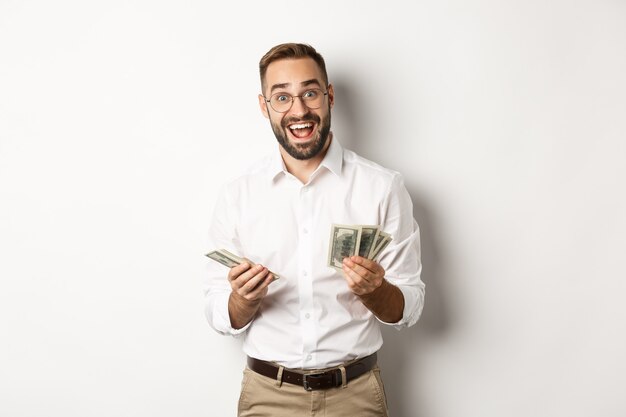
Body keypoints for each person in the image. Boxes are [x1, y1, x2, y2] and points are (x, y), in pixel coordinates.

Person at [203, 43, 425, 417]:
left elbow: (410, 305)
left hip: (355, 396)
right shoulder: (238, 194)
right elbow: (216, 309)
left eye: (309, 93)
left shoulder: (382, 187)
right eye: (282, 97)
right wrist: (242, 300)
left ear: (329, 96)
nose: (299, 110)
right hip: (266, 396)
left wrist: (378, 292)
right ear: (264, 107)